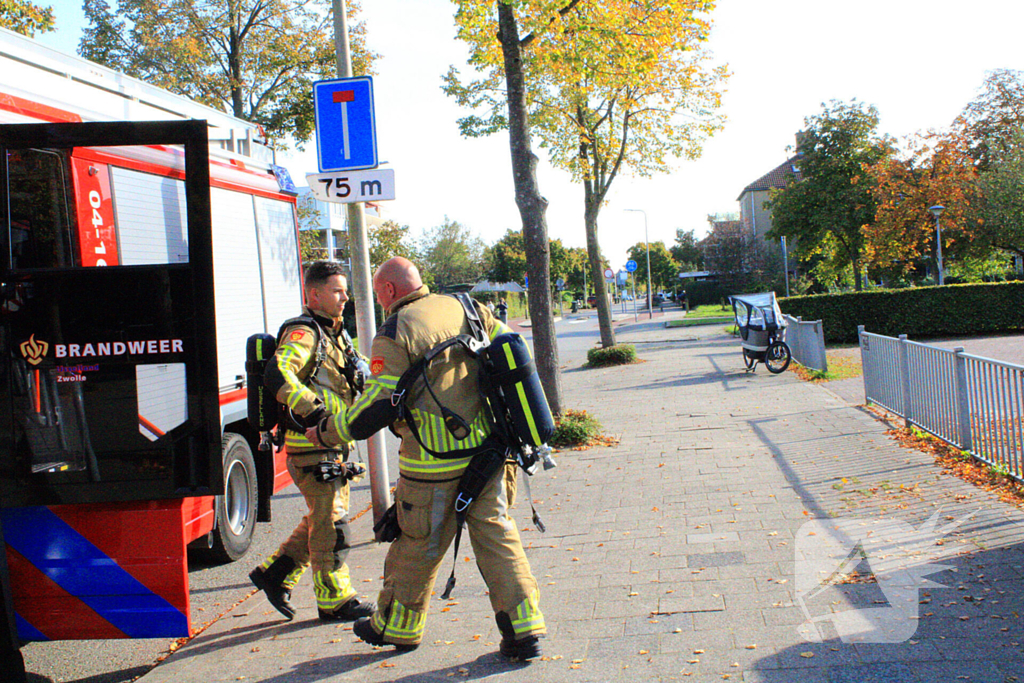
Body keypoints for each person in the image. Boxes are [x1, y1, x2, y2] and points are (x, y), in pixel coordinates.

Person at [307, 257, 546, 659]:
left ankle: (397, 628)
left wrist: (328, 430)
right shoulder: (469, 308)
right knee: (499, 538)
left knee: (417, 546)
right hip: (489, 456)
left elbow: (377, 405)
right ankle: (524, 633)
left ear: (388, 291)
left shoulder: (394, 331)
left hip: (430, 468)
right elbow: (513, 354)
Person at [248, 260, 375, 623]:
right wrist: (314, 411)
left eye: (345, 290)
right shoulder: (305, 332)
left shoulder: (335, 333)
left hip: (332, 443)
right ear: (314, 294)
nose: (345, 298)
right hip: (311, 444)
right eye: (337, 291)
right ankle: (335, 600)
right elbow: (278, 371)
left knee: (321, 519)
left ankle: (275, 573)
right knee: (332, 525)